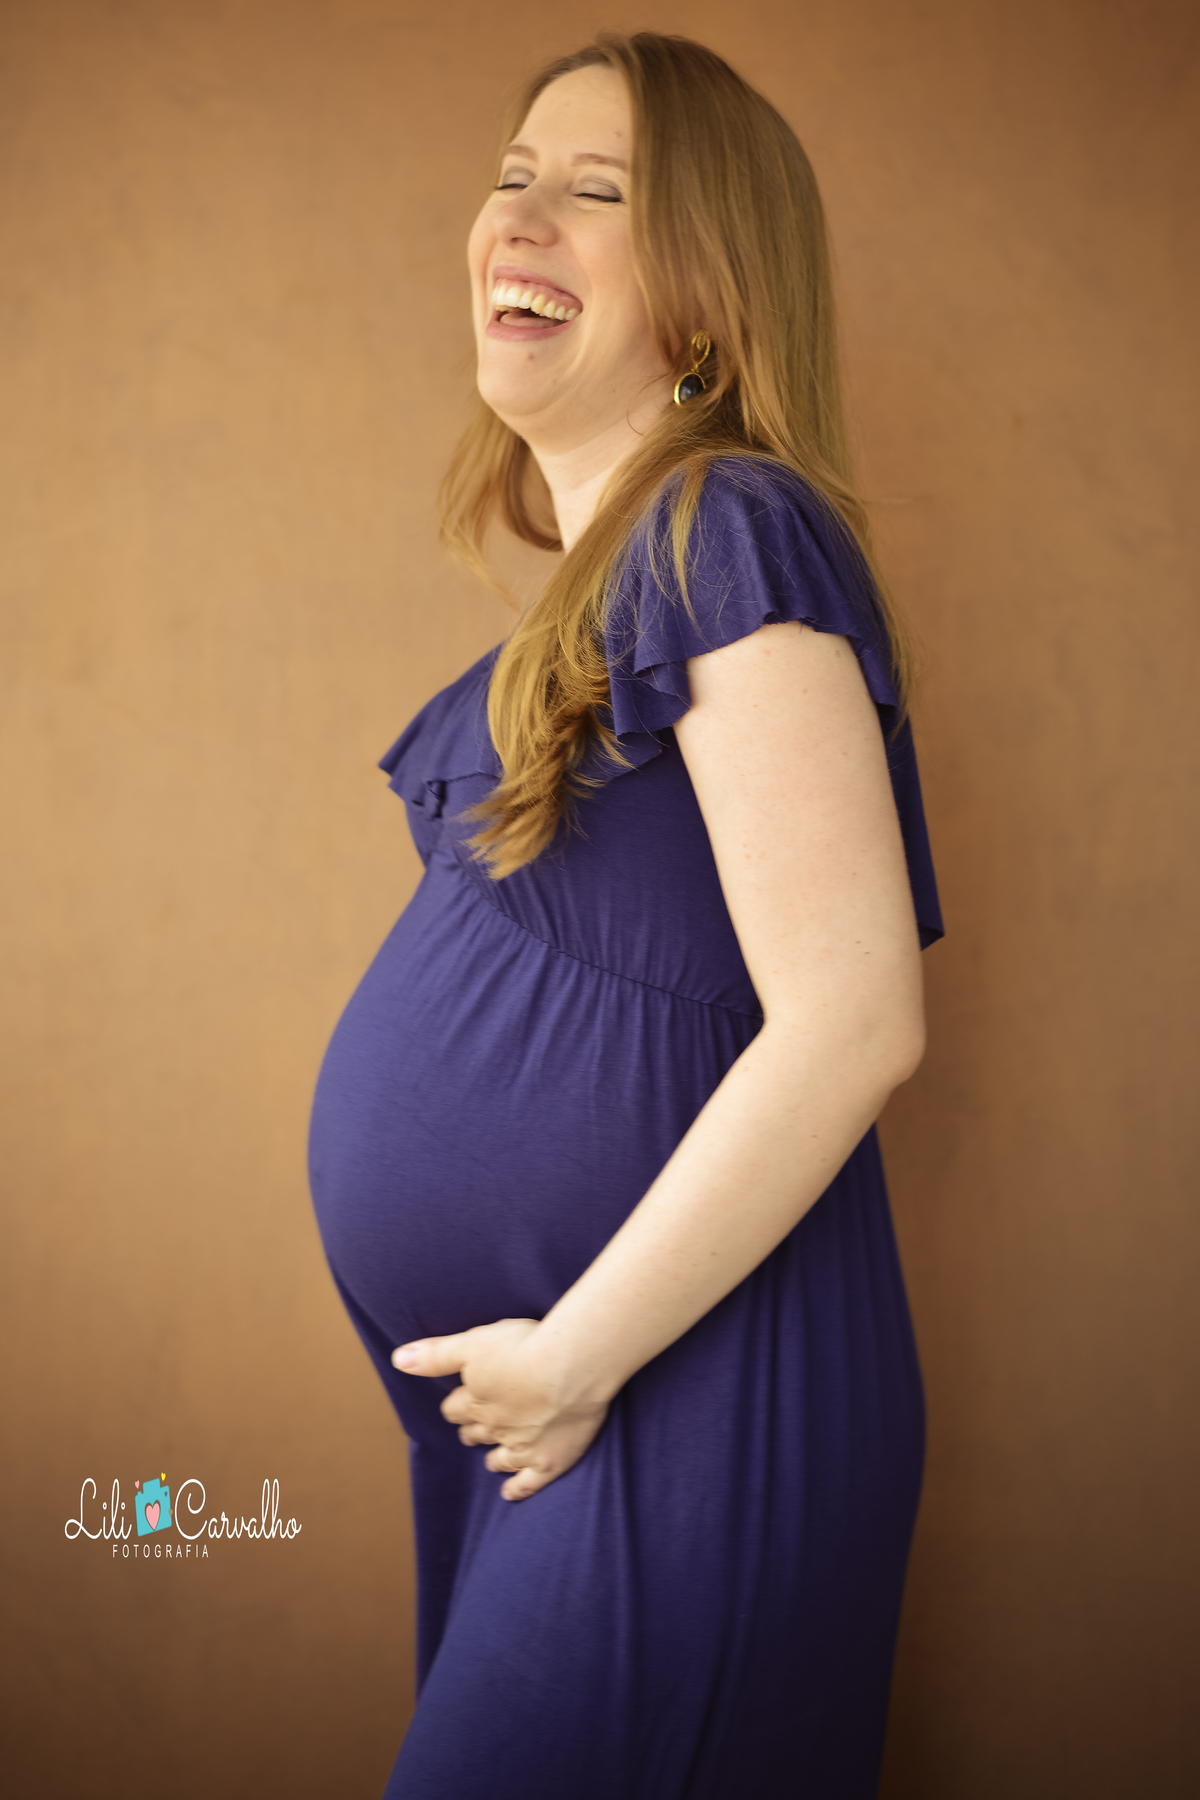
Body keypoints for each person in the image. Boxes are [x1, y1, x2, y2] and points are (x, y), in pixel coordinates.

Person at [308, 29, 942, 1800]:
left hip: (680, 1393)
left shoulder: (727, 530)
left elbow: (855, 1014)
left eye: (602, 197)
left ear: (713, 310)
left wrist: (576, 1359)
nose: (528, 216)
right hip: (563, 1409)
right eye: (517, 175)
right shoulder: (605, 605)